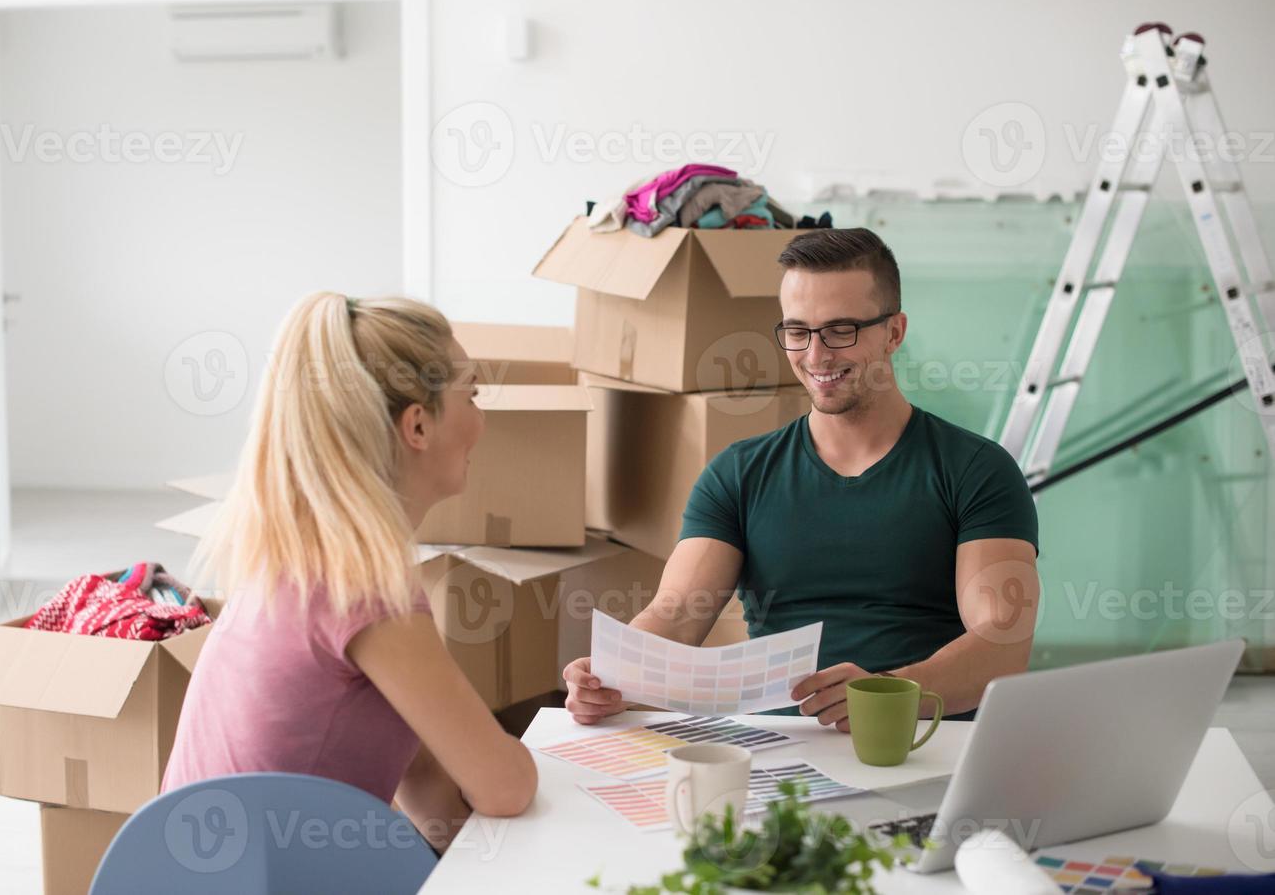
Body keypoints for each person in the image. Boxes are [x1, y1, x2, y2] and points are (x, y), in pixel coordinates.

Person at [563, 228, 1041, 732]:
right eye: (798, 331)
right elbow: (678, 611)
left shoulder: (976, 470)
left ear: (895, 332)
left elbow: (1002, 642)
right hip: (781, 747)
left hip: (920, 740)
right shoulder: (739, 473)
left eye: (840, 330)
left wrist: (886, 694)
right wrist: (617, 675)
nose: (816, 356)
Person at [163, 292, 536, 851]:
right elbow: (506, 787)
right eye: (472, 395)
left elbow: (426, 783)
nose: (481, 419)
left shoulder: (296, 557)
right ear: (417, 427)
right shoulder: (366, 587)